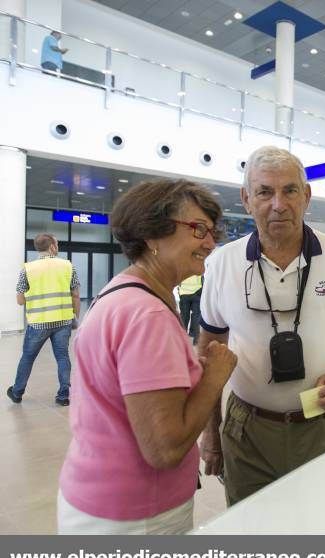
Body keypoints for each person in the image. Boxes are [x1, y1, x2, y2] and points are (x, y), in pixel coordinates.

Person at [198, 146, 325, 506]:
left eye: (290, 190)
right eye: (265, 192)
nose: (278, 204)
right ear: (247, 199)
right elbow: (207, 349)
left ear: (307, 196)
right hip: (248, 432)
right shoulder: (222, 263)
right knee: (254, 532)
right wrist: (211, 433)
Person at [57, 180, 238, 534]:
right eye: (198, 229)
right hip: (135, 516)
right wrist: (215, 376)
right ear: (152, 235)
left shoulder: (121, 293)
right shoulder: (147, 315)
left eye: (212, 231)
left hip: (97, 498)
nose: (209, 242)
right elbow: (165, 448)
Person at [8, 234, 79, 406]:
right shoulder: (68, 266)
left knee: (28, 357)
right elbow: (75, 295)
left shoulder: (27, 268)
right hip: (63, 321)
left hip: (38, 322)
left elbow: (20, 300)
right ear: (53, 247)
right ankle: (64, 396)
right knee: (62, 357)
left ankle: (17, 392)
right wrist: (75, 318)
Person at [178, 274, 203, 345]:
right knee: (196, 316)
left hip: (184, 292)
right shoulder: (198, 262)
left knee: (184, 316)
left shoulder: (180, 263)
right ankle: (196, 340)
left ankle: (181, 340)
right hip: (197, 290)